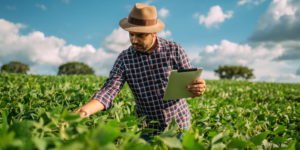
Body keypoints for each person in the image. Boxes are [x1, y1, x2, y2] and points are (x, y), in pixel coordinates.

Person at [75, 3, 206, 141]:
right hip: (147, 129)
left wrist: (197, 88)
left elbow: (190, 84)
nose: (133, 40)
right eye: (131, 34)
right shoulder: (125, 59)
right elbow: (109, 90)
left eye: (140, 35)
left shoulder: (174, 50)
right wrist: (85, 111)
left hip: (178, 125)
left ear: (153, 33)